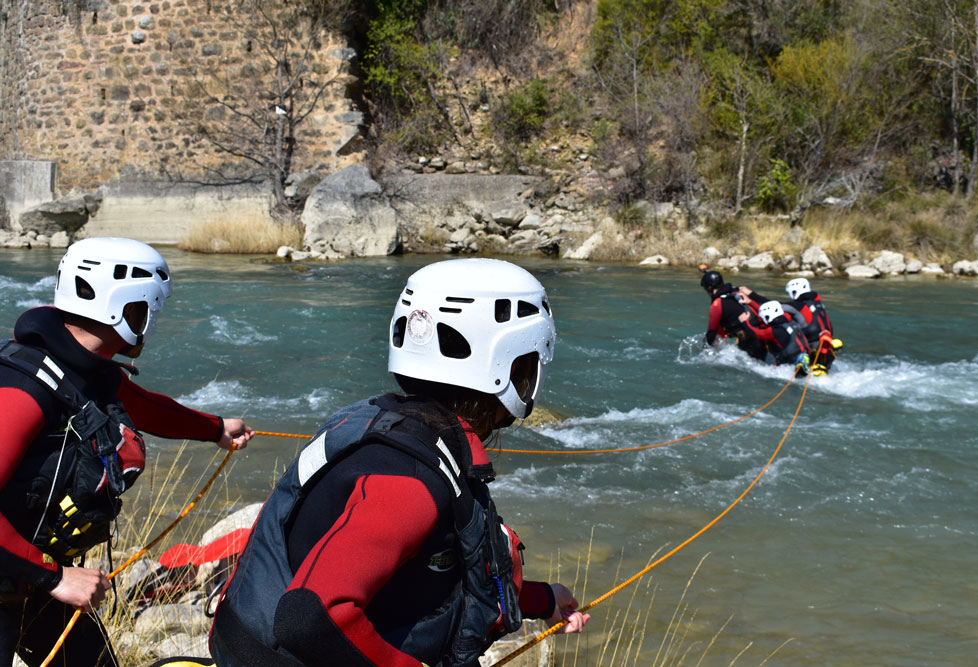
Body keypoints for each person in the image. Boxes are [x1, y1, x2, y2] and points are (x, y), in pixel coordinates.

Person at [209, 258, 589, 667]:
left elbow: (438, 577)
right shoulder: (408, 480)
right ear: (507, 365)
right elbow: (310, 617)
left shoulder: (400, 429)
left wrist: (541, 599)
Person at [0, 237, 254, 667]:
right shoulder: (24, 389)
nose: (153, 320)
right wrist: (56, 577)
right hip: (31, 572)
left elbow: (143, 405)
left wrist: (214, 429)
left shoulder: (84, 371)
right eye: (148, 308)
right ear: (126, 307)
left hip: (24, 573)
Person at [700, 270, 767, 361]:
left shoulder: (717, 305)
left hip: (750, 342)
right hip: (764, 336)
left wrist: (704, 352)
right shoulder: (738, 291)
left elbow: (711, 333)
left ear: (709, 288)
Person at [738, 300, 812, 371]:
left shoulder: (774, 330)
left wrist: (744, 322)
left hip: (789, 364)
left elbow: (755, 334)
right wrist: (751, 302)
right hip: (805, 354)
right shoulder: (791, 320)